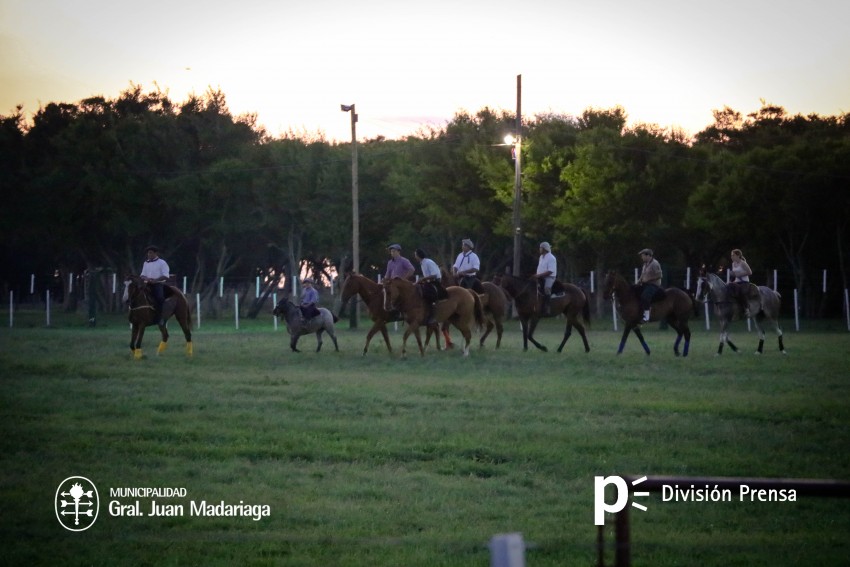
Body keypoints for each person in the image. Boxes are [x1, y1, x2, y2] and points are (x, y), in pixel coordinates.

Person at [414, 248, 447, 325]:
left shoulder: (428, 262)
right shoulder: (422, 263)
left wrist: (423, 279)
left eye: (415, 255)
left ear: (419, 255)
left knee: (428, 294)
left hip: (435, 281)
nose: (415, 257)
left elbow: (434, 275)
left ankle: (433, 315)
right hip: (429, 282)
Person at [140, 245, 170, 325]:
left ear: (156, 253)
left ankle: (160, 318)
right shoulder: (145, 263)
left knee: (160, 298)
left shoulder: (162, 263)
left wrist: (155, 280)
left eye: (150, 253)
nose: (149, 255)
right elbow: (142, 275)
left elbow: (166, 276)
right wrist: (146, 278)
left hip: (158, 284)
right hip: (147, 284)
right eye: (148, 253)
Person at [728, 248, 756, 317]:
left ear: (738, 256)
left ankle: (747, 308)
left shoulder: (743, 263)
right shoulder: (733, 264)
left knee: (741, 292)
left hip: (744, 282)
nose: (731, 257)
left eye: (733, 255)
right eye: (731, 255)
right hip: (737, 281)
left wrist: (740, 274)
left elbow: (750, 272)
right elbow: (735, 274)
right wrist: (732, 276)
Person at [637, 248, 662, 323]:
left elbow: (660, 275)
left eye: (643, 256)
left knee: (645, 296)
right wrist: (638, 282)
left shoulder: (655, 263)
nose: (642, 257)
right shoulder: (645, 264)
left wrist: (648, 279)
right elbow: (642, 275)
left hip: (653, 285)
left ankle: (647, 317)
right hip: (645, 284)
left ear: (648, 256)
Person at [533, 242, 557, 315]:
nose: (540, 249)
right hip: (540, 277)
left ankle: (547, 307)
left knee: (547, 288)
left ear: (545, 249)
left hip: (549, 277)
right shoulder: (541, 257)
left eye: (541, 248)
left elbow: (550, 271)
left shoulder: (551, 258)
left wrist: (539, 275)